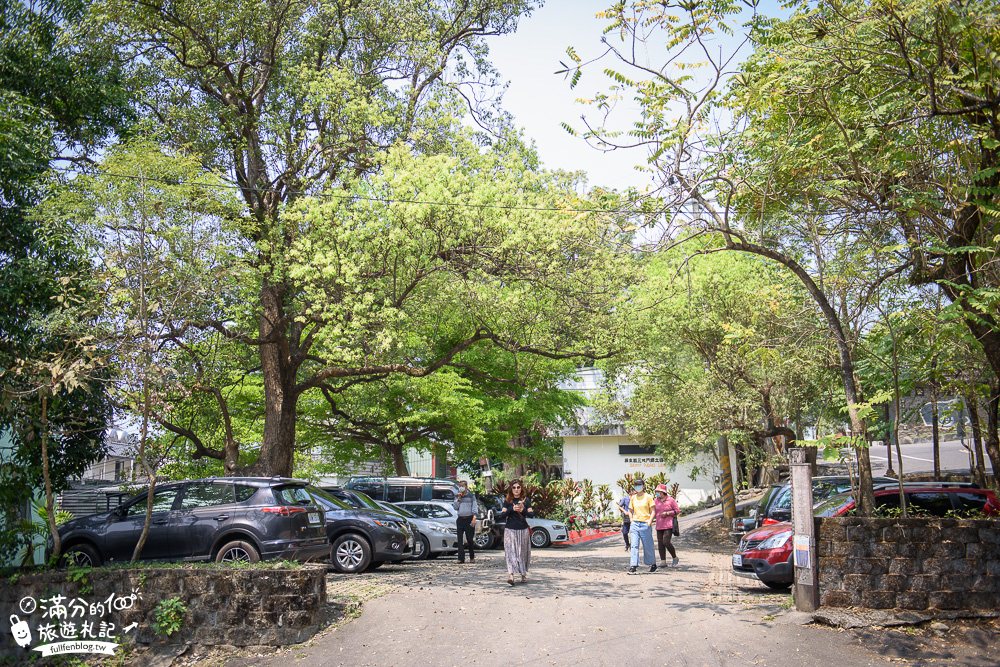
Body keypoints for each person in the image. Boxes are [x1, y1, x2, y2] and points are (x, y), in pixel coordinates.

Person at [499, 479, 533, 585]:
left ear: (521, 488)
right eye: (514, 487)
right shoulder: (507, 500)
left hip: (523, 530)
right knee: (510, 553)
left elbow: (531, 515)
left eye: (518, 487)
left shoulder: (526, 500)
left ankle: (523, 575)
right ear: (511, 489)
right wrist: (511, 509)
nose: (516, 489)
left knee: (522, 553)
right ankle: (511, 576)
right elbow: (502, 515)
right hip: (510, 530)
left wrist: (522, 510)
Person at [627, 478, 657, 574]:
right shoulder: (633, 498)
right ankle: (633, 565)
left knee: (648, 545)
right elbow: (630, 510)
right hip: (635, 524)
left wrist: (649, 521)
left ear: (643, 486)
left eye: (639, 485)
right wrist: (631, 520)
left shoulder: (648, 497)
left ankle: (652, 564)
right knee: (634, 545)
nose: (637, 487)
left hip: (645, 524)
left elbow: (653, 511)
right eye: (636, 485)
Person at [653, 483, 680, 567]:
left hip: (668, 525)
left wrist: (668, 513)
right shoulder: (655, 500)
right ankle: (663, 561)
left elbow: (677, 511)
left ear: (663, 492)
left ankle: (675, 557)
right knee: (660, 544)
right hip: (659, 525)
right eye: (656, 491)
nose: (657, 493)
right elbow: (653, 512)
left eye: (658, 491)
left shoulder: (670, 500)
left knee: (666, 542)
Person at [452, 480, 478, 564]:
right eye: (460, 486)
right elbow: (455, 507)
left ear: (466, 487)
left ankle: (472, 556)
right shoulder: (457, 496)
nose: (461, 487)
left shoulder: (471, 495)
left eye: (462, 486)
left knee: (469, 539)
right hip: (460, 519)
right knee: (459, 540)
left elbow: (474, 507)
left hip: (469, 519)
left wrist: (474, 517)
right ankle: (460, 558)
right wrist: (459, 498)